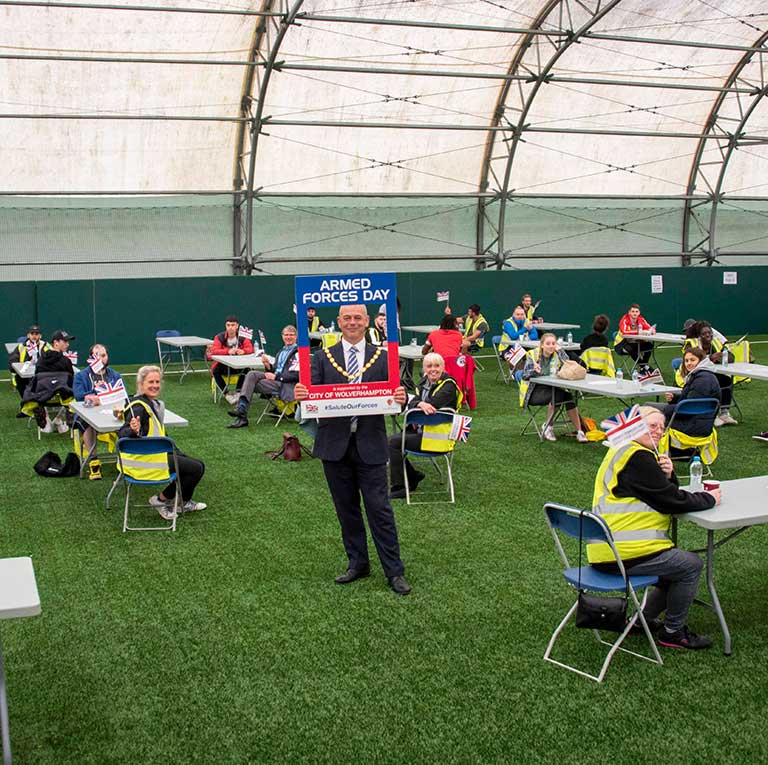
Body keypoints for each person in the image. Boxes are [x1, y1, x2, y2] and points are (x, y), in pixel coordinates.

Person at [294, 304, 410, 596]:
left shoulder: (383, 357)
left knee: (379, 509)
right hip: (334, 446)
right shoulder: (321, 357)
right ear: (339, 321)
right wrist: (302, 395)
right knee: (346, 510)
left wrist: (402, 397)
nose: (352, 322)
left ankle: (394, 571)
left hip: (371, 444)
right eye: (347, 318)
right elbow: (310, 398)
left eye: (358, 317)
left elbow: (397, 395)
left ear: (367, 321)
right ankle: (358, 563)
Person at [589, 406, 720, 649]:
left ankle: (640, 621)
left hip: (606, 549)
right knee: (690, 564)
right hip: (625, 552)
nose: (659, 431)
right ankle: (673, 631)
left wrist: (668, 476)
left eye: (662, 426)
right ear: (635, 427)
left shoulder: (623, 451)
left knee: (673, 568)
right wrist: (709, 498)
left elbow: (661, 492)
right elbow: (671, 501)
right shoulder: (638, 457)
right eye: (652, 426)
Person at [118, 365, 206, 519]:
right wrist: (132, 430)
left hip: (150, 457)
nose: (155, 385)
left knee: (198, 465)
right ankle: (160, 500)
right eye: (150, 382)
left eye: (157, 382)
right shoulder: (138, 408)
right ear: (141, 384)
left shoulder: (149, 403)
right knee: (196, 469)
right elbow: (122, 434)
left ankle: (183, 502)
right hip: (144, 462)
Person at [388, 353, 462, 499]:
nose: (433, 369)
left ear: (443, 368)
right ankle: (413, 477)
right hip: (422, 432)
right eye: (429, 366)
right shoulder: (424, 383)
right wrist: (420, 403)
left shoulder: (448, 386)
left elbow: (430, 407)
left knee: (393, 443)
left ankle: (401, 486)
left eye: (437, 366)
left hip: (438, 439)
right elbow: (414, 403)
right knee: (389, 441)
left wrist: (418, 404)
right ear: (424, 368)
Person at [227, 325, 299, 428]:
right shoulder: (281, 351)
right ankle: (241, 410)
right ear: (282, 336)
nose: (288, 337)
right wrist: (268, 366)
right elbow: (274, 370)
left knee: (248, 384)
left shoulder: (298, 353)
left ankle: (241, 414)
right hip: (275, 381)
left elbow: (297, 375)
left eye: (291, 335)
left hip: (285, 384)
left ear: (296, 337)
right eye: (286, 335)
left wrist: (276, 377)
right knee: (251, 374)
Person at [521, 333, 587, 443]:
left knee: (568, 396)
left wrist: (560, 350)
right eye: (548, 343)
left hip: (551, 388)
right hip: (534, 393)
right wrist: (534, 371)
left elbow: (567, 362)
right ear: (542, 345)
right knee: (558, 395)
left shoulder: (556, 354)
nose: (551, 346)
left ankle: (579, 431)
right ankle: (548, 427)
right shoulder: (533, 356)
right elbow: (524, 375)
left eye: (553, 343)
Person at [73, 344, 124, 479]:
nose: (101, 359)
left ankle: (126, 458)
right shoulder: (81, 376)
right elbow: (79, 397)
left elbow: (122, 395)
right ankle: (94, 461)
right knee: (87, 423)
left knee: (128, 420)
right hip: (88, 413)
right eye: (97, 356)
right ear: (91, 359)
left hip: (111, 412)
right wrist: (95, 391)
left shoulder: (115, 375)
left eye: (103, 355)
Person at [656, 347, 720, 438]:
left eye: (692, 360)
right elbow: (693, 400)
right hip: (702, 423)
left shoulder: (702, 380)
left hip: (692, 425)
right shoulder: (703, 375)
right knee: (652, 409)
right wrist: (674, 398)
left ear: (701, 361)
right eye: (686, 361)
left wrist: (666, 410)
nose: (689, 363)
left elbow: (690, 407)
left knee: (649, 411)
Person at [682, 321, 736, 426]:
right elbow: (691, 361)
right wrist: (710, 358)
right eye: (704, 334)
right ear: (698, 336)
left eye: (710, 332)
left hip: (710, 374)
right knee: (709, 383)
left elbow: (731, 357)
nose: (708, 335)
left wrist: (723, 356)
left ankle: (724, 413)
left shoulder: (715, 343)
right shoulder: (691, 344)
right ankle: (711, 414)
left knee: (726, 380)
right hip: (692, 374)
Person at [23, 329, 76, 431]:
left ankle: (46, 419)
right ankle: (59, 418)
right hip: (63, 398)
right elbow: (71, 381)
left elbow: (37, 378)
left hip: (42, 397)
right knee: (74, 392)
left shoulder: (41, 360)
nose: (68, 344)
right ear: (56, 343)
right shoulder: (66, 361)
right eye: (65, 341)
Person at [208, 315, 254, 403]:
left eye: (233, 325)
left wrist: (243, 351)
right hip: (224, 366)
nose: (230, 328)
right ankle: (226, 394)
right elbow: (214, 351)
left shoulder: (243, 337)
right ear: (225, 326)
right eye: (228, 325)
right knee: (215, 371)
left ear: (237, 326)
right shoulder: (219, 337)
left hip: (240, 365)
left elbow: (250, 349)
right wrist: (228, 351)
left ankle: (238, 392)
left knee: (248, 370)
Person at [8, 324, 49, 401]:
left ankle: (37, 401)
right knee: (19, 379)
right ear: (28, 335)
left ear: (40, 336)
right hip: (25, 375)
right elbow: (12, 361)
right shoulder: (21, 347)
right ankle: (28, 401)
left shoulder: (46, 346)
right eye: (32, 333)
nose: (34, 336)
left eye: (36, 334)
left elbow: (52, 358)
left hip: (42, 374)